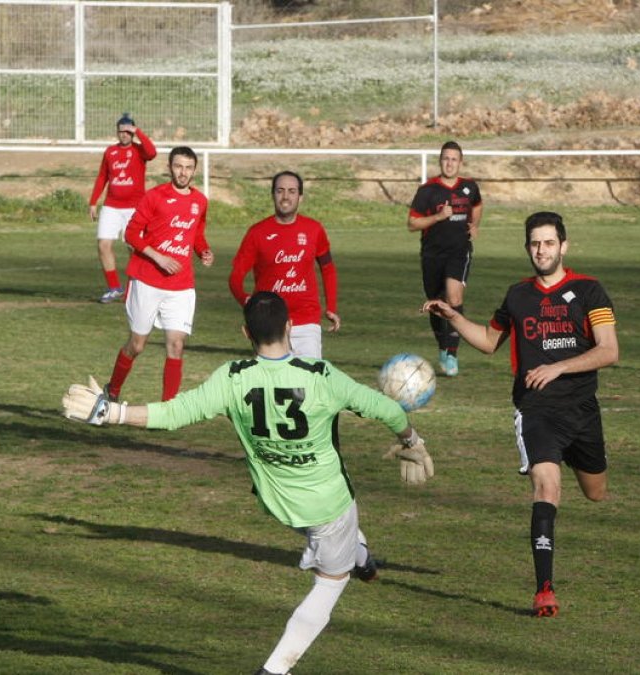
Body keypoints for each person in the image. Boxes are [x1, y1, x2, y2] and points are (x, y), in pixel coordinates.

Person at [63, 291, 435, 675]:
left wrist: (113, 412)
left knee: (339, 539)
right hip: (327, 504)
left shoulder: (232, 378)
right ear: (290, 326)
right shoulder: (321, 376)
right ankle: (274, 670)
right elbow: (389, 410)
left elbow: (173, 414)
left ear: (245, 332)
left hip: (279, 503)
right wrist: (412, 442)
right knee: (330, 582)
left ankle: (362, 560)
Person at [422, 211, 618, 618]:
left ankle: (579, 474)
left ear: (563, 246)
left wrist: (559, 367)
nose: (541, 250)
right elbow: (492, 341)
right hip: (536, 410)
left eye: (548, 243)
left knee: (595, 493)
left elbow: (609, 351)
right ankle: (544, 589)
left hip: (582, 411)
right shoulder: (518, 296)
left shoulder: (589, 290)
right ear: (527, 247)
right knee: (547, 488)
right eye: (534, 243)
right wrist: (455, 317)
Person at [103, 146, 213, 402]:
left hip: (181, 285)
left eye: (188, 167)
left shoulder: (200, 201)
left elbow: (196, 234)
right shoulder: (154, 197)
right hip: (147, 281)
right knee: (137, 345)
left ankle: (168, 408)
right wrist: (158, 257)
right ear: (169, 168)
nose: (183, 172)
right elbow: (131, 234)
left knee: (176, 345)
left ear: (194, 170)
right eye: (178, 166)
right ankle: (114, 389)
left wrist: (204, 251)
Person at [229, 171, 340, 358]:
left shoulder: (314, 230)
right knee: (272, 384)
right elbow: (236, 276)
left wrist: (331, 307)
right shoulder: (257, 233)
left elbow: (328, 268)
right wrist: (245, 299)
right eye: (280, 191)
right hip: (269, 322)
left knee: (310, 380)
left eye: (292, 191)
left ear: (300, 197)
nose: (286, 196)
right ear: (273, 194)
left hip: (307, 320)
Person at [407, 140, 484, 377]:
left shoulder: (470, 187)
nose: (449, 163)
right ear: (440, 161)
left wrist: (475, 225)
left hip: (459, 252)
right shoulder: (427, 190)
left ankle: (452, 353)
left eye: (454, 159)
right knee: (435, 303)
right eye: (445, 158)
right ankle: (443, 346)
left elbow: (478, 205)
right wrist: (439, 217)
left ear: (460, 162)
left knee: (453, 295)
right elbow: (412, 223)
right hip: (432, 254)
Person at [89, 113, 157, 304]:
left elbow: (152, 153)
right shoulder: (110, 152)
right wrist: (93, 201)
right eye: (121, 131)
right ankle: (114, 287)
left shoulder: (139, 150)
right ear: (117, 133)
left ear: (132, 132)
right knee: (103, 244)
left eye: (128, 131)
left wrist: (139, 132)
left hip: (135, 208)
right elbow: (102, 177)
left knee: (133, 247)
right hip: (111, 206)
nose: (124, 135)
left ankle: (133, 289)